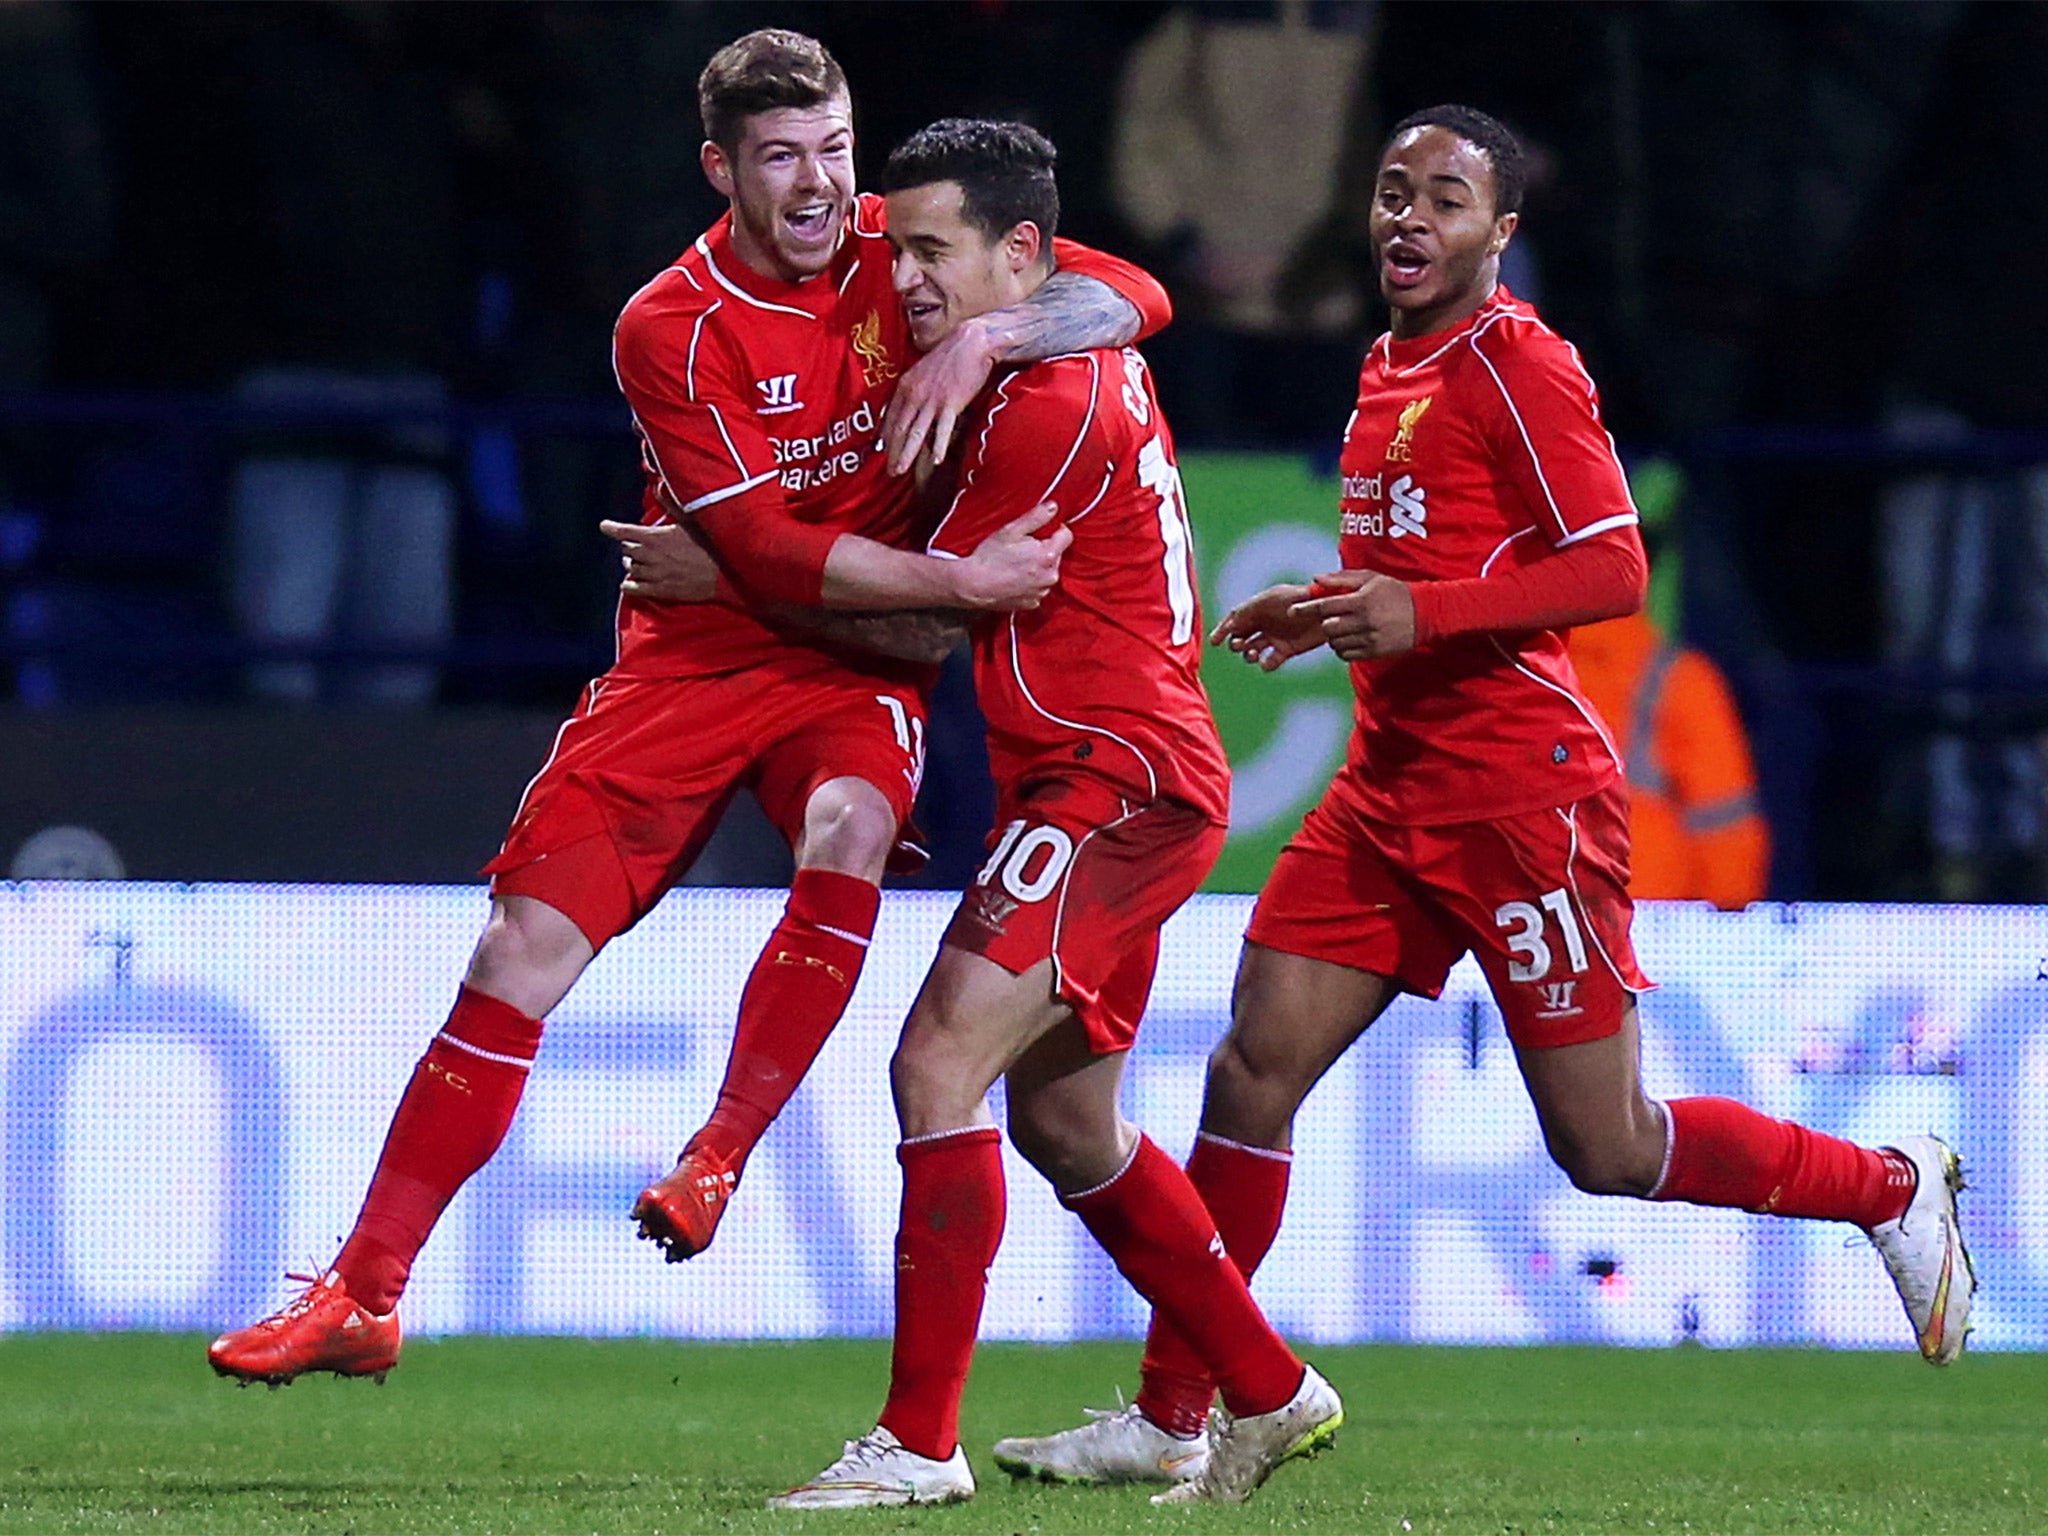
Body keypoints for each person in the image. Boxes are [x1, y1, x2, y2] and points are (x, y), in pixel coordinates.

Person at [992, 104, 1976, 1488]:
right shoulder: (1388, 365)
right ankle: (1176, 1411)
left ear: (1500, 233)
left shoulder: (1522, 364)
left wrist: (1424, 610)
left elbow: (1612, 568)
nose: (1407, 218)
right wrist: (1334, 610)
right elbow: (1426, 573)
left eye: (1444, 199)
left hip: (1522, 805)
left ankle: (1887, 1187)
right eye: (1393, 192)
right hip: (1386, 796)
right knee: (1250, 1068)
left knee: (1608, 1146)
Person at [205, 28, 1172, 1389]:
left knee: (845, 825)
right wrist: (956, 577)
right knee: (515, 956)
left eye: (836, 150)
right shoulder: (671, 325)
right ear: (722, 169)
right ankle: (365, 1293)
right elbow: (769, 558)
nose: (824, 187)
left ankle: (717, 1157)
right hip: (693, 659)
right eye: (784, 159)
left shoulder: (907, 251)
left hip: (854, 671)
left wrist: (990, 339)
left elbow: (1138, 293)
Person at [765, 120, 1338, 1510]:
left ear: (1019, 255)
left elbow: (920, 615)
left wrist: (729, 571)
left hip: (1115, 780)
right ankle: (1263, 1390)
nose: (903, 278)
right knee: (1070, 1125)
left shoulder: (1045, 407)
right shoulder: (1062, 338)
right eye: (893, 247)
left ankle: (916, 1443)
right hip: (1110, 772)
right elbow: (1136, 284)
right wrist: (970, 336)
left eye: (930, 252)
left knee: (932, 1068)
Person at [1570, 462, 1770, 908]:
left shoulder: (1503, 669)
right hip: (1652, 934)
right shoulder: (1680, 681)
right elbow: (1729, 851)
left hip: (1518, 937)